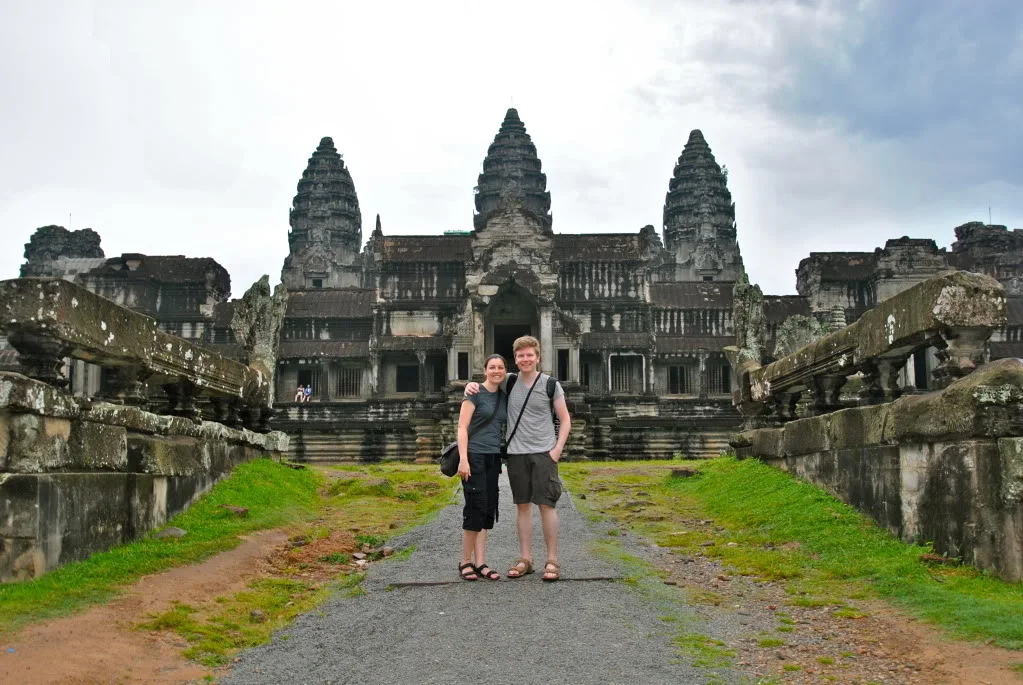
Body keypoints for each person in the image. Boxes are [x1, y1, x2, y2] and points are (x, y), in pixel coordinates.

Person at [466, 335, 571, 581]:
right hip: (515, 454)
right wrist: (469, 387)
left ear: (538, 357)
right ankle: (526, 558)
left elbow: (565, 419)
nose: (525, 359)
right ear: (515, 359)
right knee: (522, 506)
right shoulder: (509, 382)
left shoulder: (550, 384)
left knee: (547, 505)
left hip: (544, 452)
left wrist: (556, 450)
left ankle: (552, 559)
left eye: (529, 355)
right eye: (520, 356)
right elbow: (487, 384)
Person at [456, 354, 508, 581]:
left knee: (487, 508)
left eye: (501, 368)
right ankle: (465, 561)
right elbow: (462, 426)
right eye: (492, 367)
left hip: (493, 457)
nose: (496, 371)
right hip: (474, 456)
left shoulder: (505, 395)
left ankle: (481, 562)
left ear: (505, 371)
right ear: (485, 370)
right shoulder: (474, 393)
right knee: (475, 507)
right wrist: (463, 459)